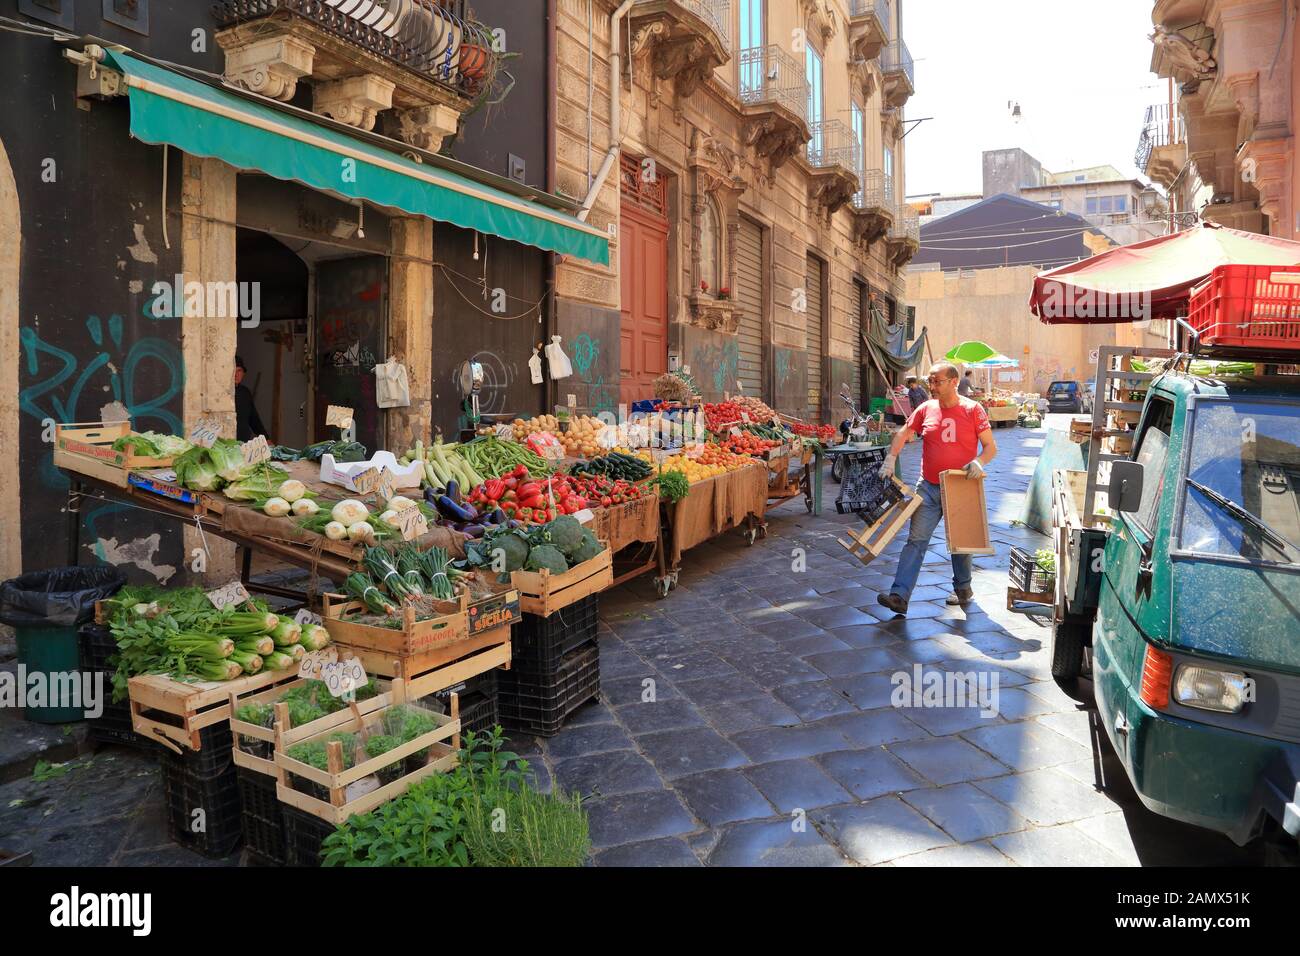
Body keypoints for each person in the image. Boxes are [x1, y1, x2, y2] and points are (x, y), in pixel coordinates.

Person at [876, 362, 997, 615]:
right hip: (929, 485)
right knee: (915, 540)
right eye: (929, 382)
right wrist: (891, 458)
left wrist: (978, 461)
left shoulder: (973, 410)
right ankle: (900, 595)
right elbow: (903, 433)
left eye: (937, 382)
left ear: (954, 382)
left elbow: (990, 447)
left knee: (961, 543)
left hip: (961, 485)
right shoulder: (925, 408)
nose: (931, 387)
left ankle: (963, 587)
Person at [234, 355, 269, 443]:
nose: (236, 374)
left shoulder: (245, 393)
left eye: (239, 371)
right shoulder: (223, 394)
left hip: (243, 443)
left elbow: (253, 418)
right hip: (227, 443)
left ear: (243, 373)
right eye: (233, 370)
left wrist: (266, 438)